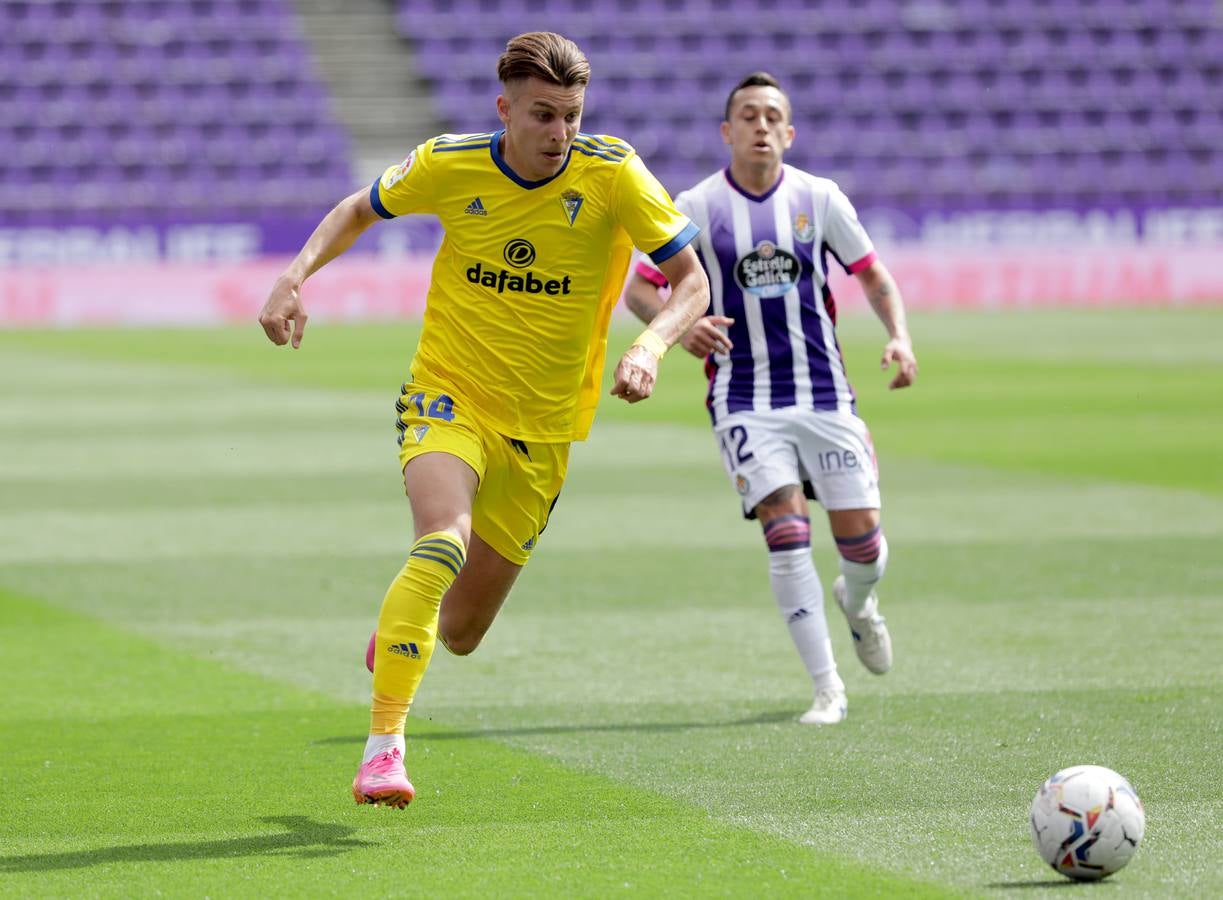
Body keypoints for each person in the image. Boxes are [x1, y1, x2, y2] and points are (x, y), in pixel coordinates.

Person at [258, 32, 710, 807]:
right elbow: (358, 209)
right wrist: (293, 277)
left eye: (569, 115)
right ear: (504, 109)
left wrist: (653, 346)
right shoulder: (449, 161)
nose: (558, 133)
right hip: (449, 395)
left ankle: (406, 622)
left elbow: (690, 281)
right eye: (541, 115)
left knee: (461, 631)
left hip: (544, 429)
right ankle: (383, 749)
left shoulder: (614, 174)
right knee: (440, 542)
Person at [623, 72, 917, 725]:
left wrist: (898, 337)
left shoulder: (820, 198)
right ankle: (827, 689)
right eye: (747, 115)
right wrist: (677, 327)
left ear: (789, 131)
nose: (760, 126)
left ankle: (860, 603)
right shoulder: (695, 206)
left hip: (824, 394)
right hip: (743, 396)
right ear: (726, 132)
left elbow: (872, 275)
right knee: (785, 532)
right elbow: (640, 289)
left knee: (862, 547)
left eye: (771, 116)